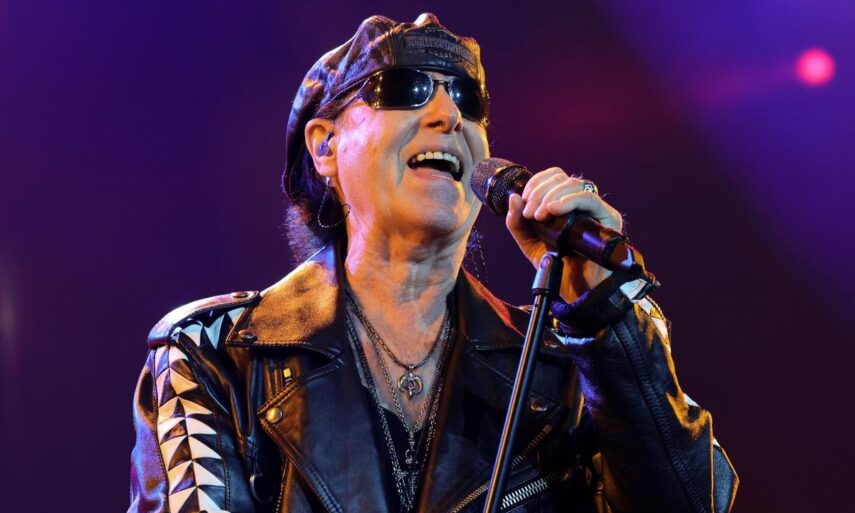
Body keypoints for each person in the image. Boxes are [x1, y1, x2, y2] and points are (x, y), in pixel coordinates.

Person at [128, 13, 738, 513]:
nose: (449, 115)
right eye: (404, 90)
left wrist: (606, 322)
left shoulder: (561, 367)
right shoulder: (215, 354)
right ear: (326, 146)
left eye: (468, 100)